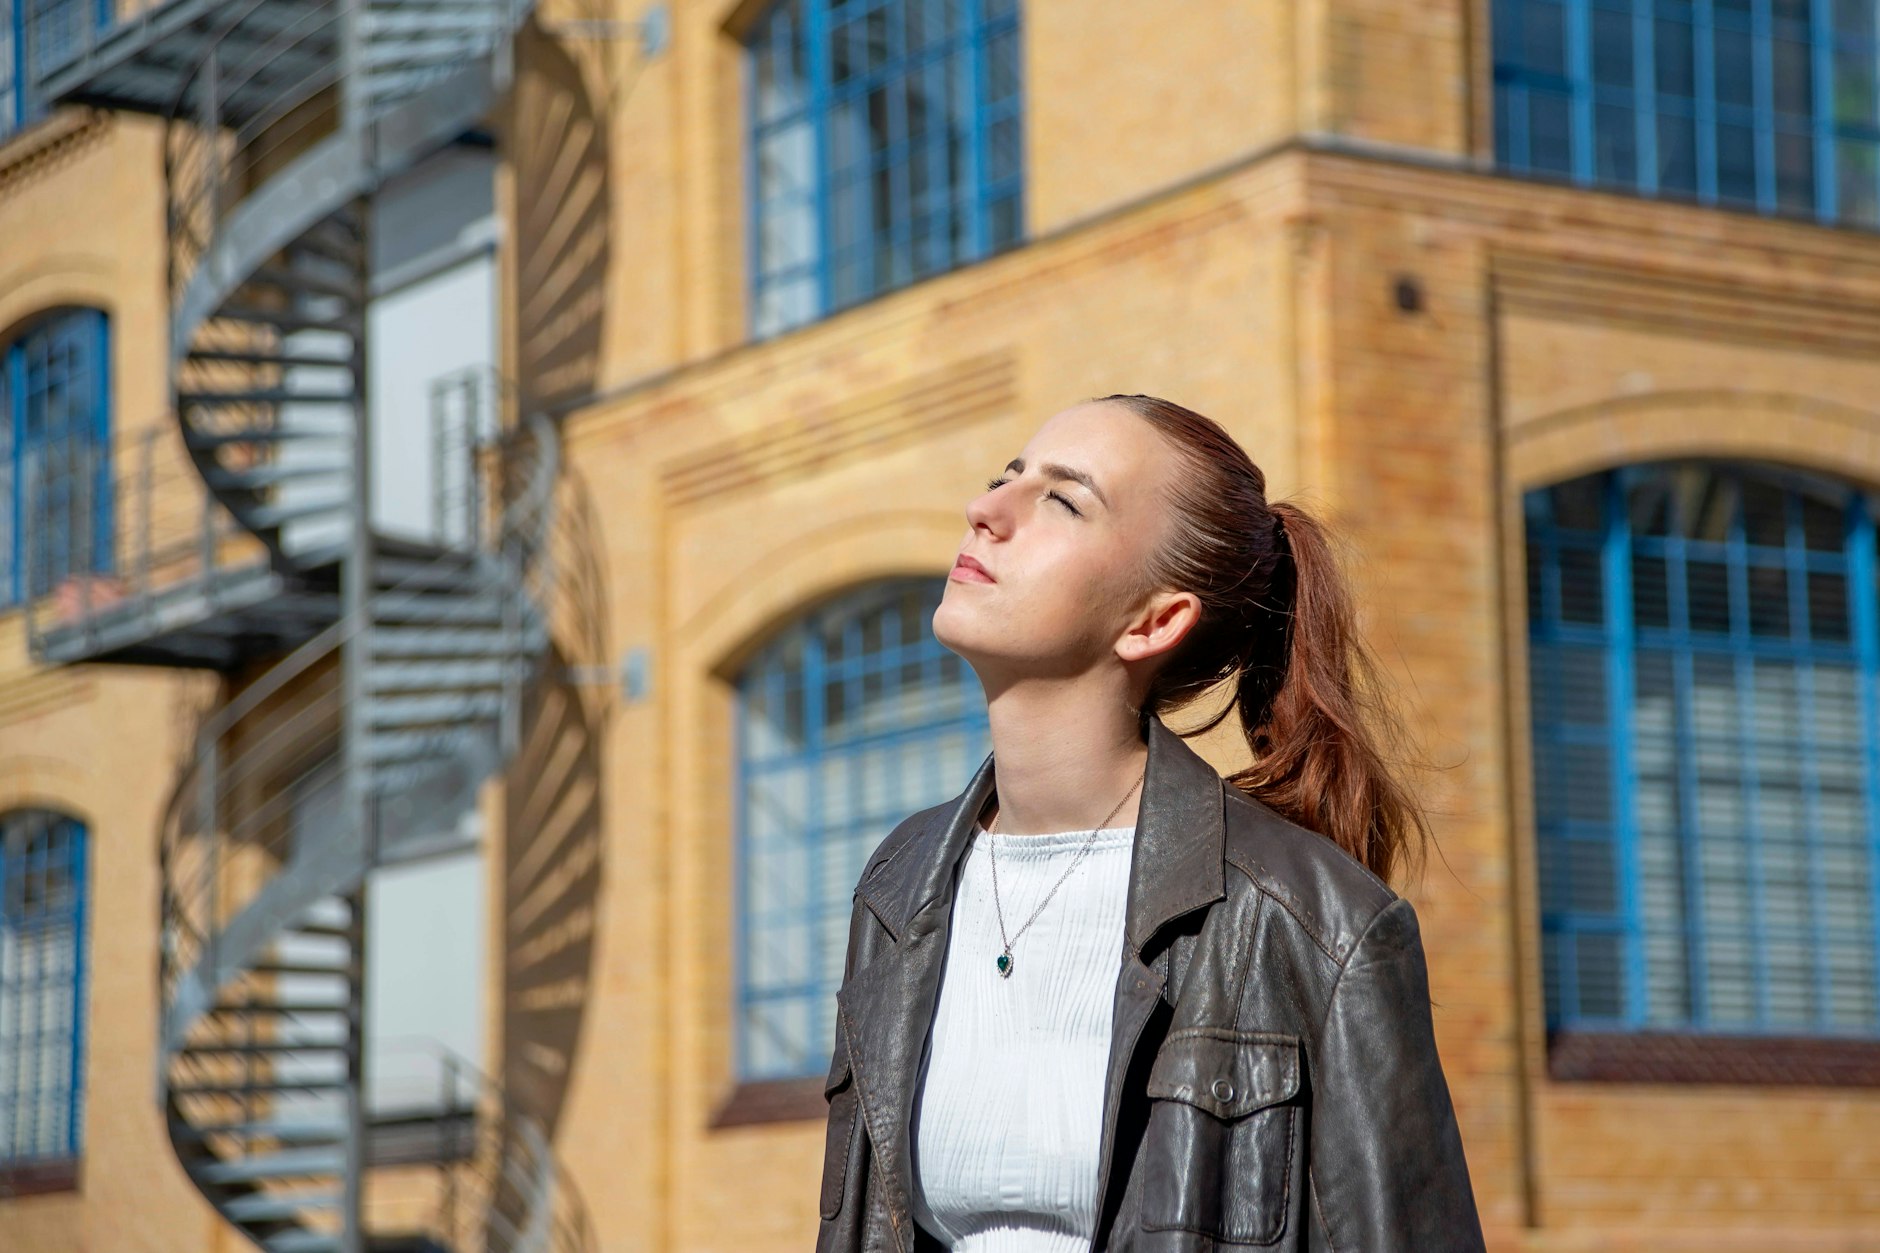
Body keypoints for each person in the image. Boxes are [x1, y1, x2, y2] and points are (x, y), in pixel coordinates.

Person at [814, 395, 1487, 1253]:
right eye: (1004, 478)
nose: (986, 511)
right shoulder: (900, 887)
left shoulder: (1313, 924)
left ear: (1155, 620)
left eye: (1062, 500)